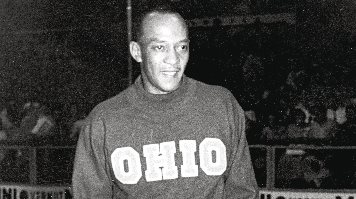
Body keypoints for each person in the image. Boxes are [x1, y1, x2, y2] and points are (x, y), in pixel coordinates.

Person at [72, 2, 258, 198]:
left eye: (182, 47)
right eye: (160, 47)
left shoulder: (221, 105)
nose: (174, 59)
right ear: (137, 52)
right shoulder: (104, 121)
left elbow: (243, 192)